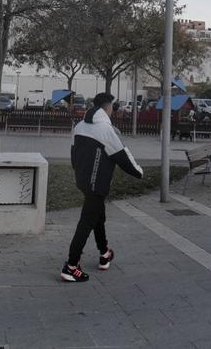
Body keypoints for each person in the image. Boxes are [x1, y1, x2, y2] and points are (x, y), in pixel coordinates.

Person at [62, 92, 143, 283]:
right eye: (113, 108)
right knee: (87, 221)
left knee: (98, 216)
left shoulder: (79, 126)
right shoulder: (107, 131)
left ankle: (104, 252)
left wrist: (79, 173)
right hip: (97, 184)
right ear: (108, 108)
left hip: (82, 180)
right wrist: (139, 172)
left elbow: (74, 154)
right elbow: (123, 156)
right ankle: (71, 266)